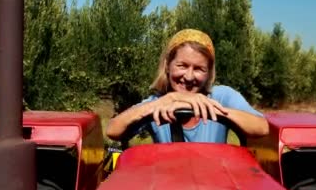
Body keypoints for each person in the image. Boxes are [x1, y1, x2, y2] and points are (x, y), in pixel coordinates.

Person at [106, 28, 269, 144]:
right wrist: (171, 98)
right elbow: (112, 131)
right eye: (182, 66)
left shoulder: (222, 96)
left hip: (215, 185)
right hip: (169, 185)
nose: (189, 76)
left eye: (199, 69)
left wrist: (214, 109)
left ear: (209, 73)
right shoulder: (159, 102)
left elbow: (261, 128)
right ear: (167, 66)